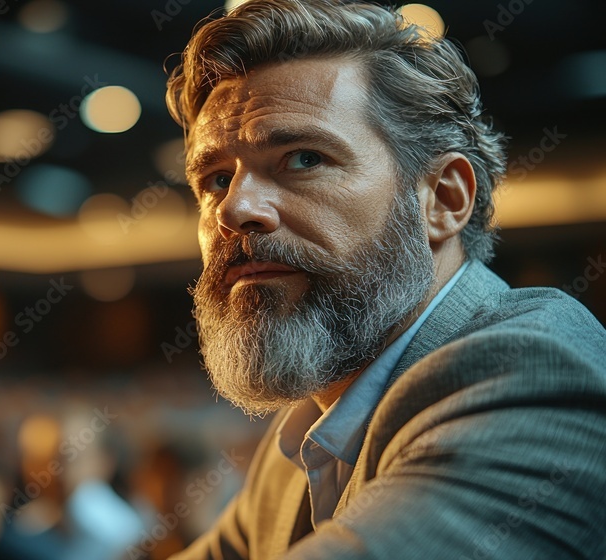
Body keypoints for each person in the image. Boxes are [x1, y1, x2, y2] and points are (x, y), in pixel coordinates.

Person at [163, 1, 606, 558]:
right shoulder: (303, 436)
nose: (234, 209)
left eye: (302, 158)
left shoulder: (533, 376)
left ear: (443, 199)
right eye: (216, 178)